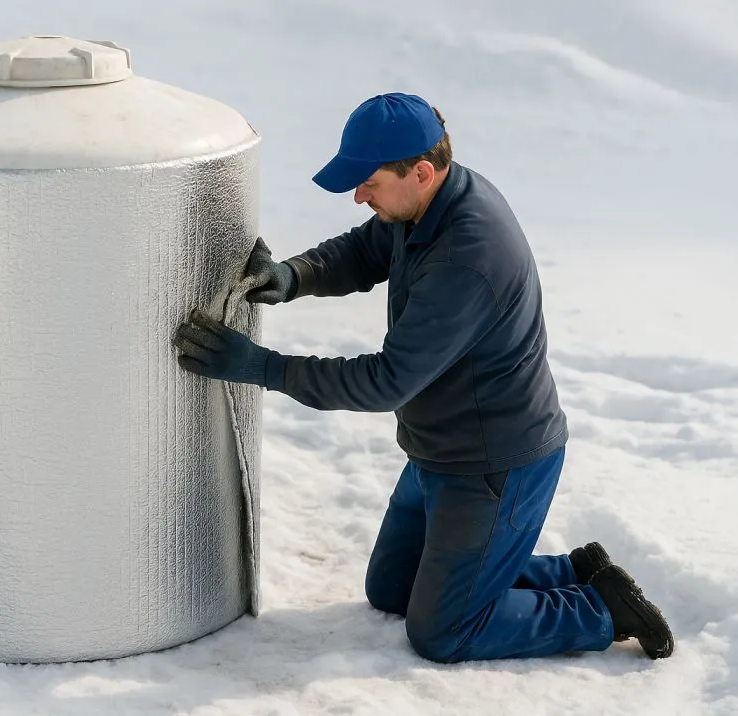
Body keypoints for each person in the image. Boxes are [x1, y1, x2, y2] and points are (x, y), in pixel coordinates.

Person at [172, 92, 674, 663]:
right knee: (391, 590)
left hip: (493, 466)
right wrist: (294, 275)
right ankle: (572, 568)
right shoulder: (426, 201)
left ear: (421, 171)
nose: (359, 197)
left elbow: (386, 381)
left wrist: (262, 367)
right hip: (439, 449)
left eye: (369, 183)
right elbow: (369, 247)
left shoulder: (468, 255)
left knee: (444, 630)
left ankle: (602, 610)